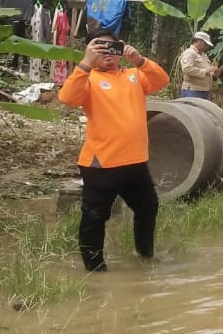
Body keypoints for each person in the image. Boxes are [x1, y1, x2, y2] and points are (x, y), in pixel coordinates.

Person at [58, 30, 169, 272]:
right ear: (90, 52)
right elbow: (67, 98)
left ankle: (144, 256)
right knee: (95, 217)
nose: (107, 52)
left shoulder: (134, 75)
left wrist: (139, 60)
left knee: (148, 207)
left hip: (135, 162)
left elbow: (162, 81)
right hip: (101, 164)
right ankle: (95, 270)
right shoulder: (88, 79)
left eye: (112, 47)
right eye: (99, 48)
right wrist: (85, 64)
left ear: (121, 49)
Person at [178, 30, 220, 99]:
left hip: (204, 90)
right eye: (205, 44)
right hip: (192, 90)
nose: (207, 47)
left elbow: (206, 71)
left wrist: (214, 75)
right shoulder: (189, 53)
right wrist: (206, 71)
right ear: (199, 41)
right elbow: (187, 69)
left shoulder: (204, 55)